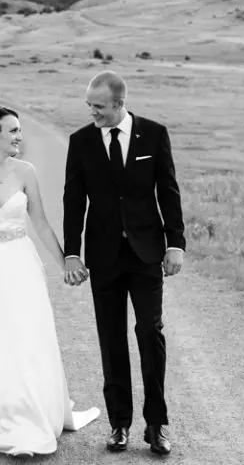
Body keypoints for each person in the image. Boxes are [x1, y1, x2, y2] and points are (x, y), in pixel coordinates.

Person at [0, 105, 100, 456]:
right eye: (12, 131)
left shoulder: (25, 172)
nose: (19, 137)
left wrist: (65, 265)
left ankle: (26, 417)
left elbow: (40, 223)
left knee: (24, 338)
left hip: (21, 265)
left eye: (20, 131)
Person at [62, 70, 185, 456]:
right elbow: (73, 200)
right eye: (89, 106)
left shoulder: (154, 133)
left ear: (119, 103)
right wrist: (72, 252)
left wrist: (175, 243)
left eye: (98, 107)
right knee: (111, 339)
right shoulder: (80, 142)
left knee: (150, 333)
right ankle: (119, 424)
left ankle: (156, 424)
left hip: (147, 252)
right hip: (104, 257)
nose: (92, 113)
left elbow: (168, 190)